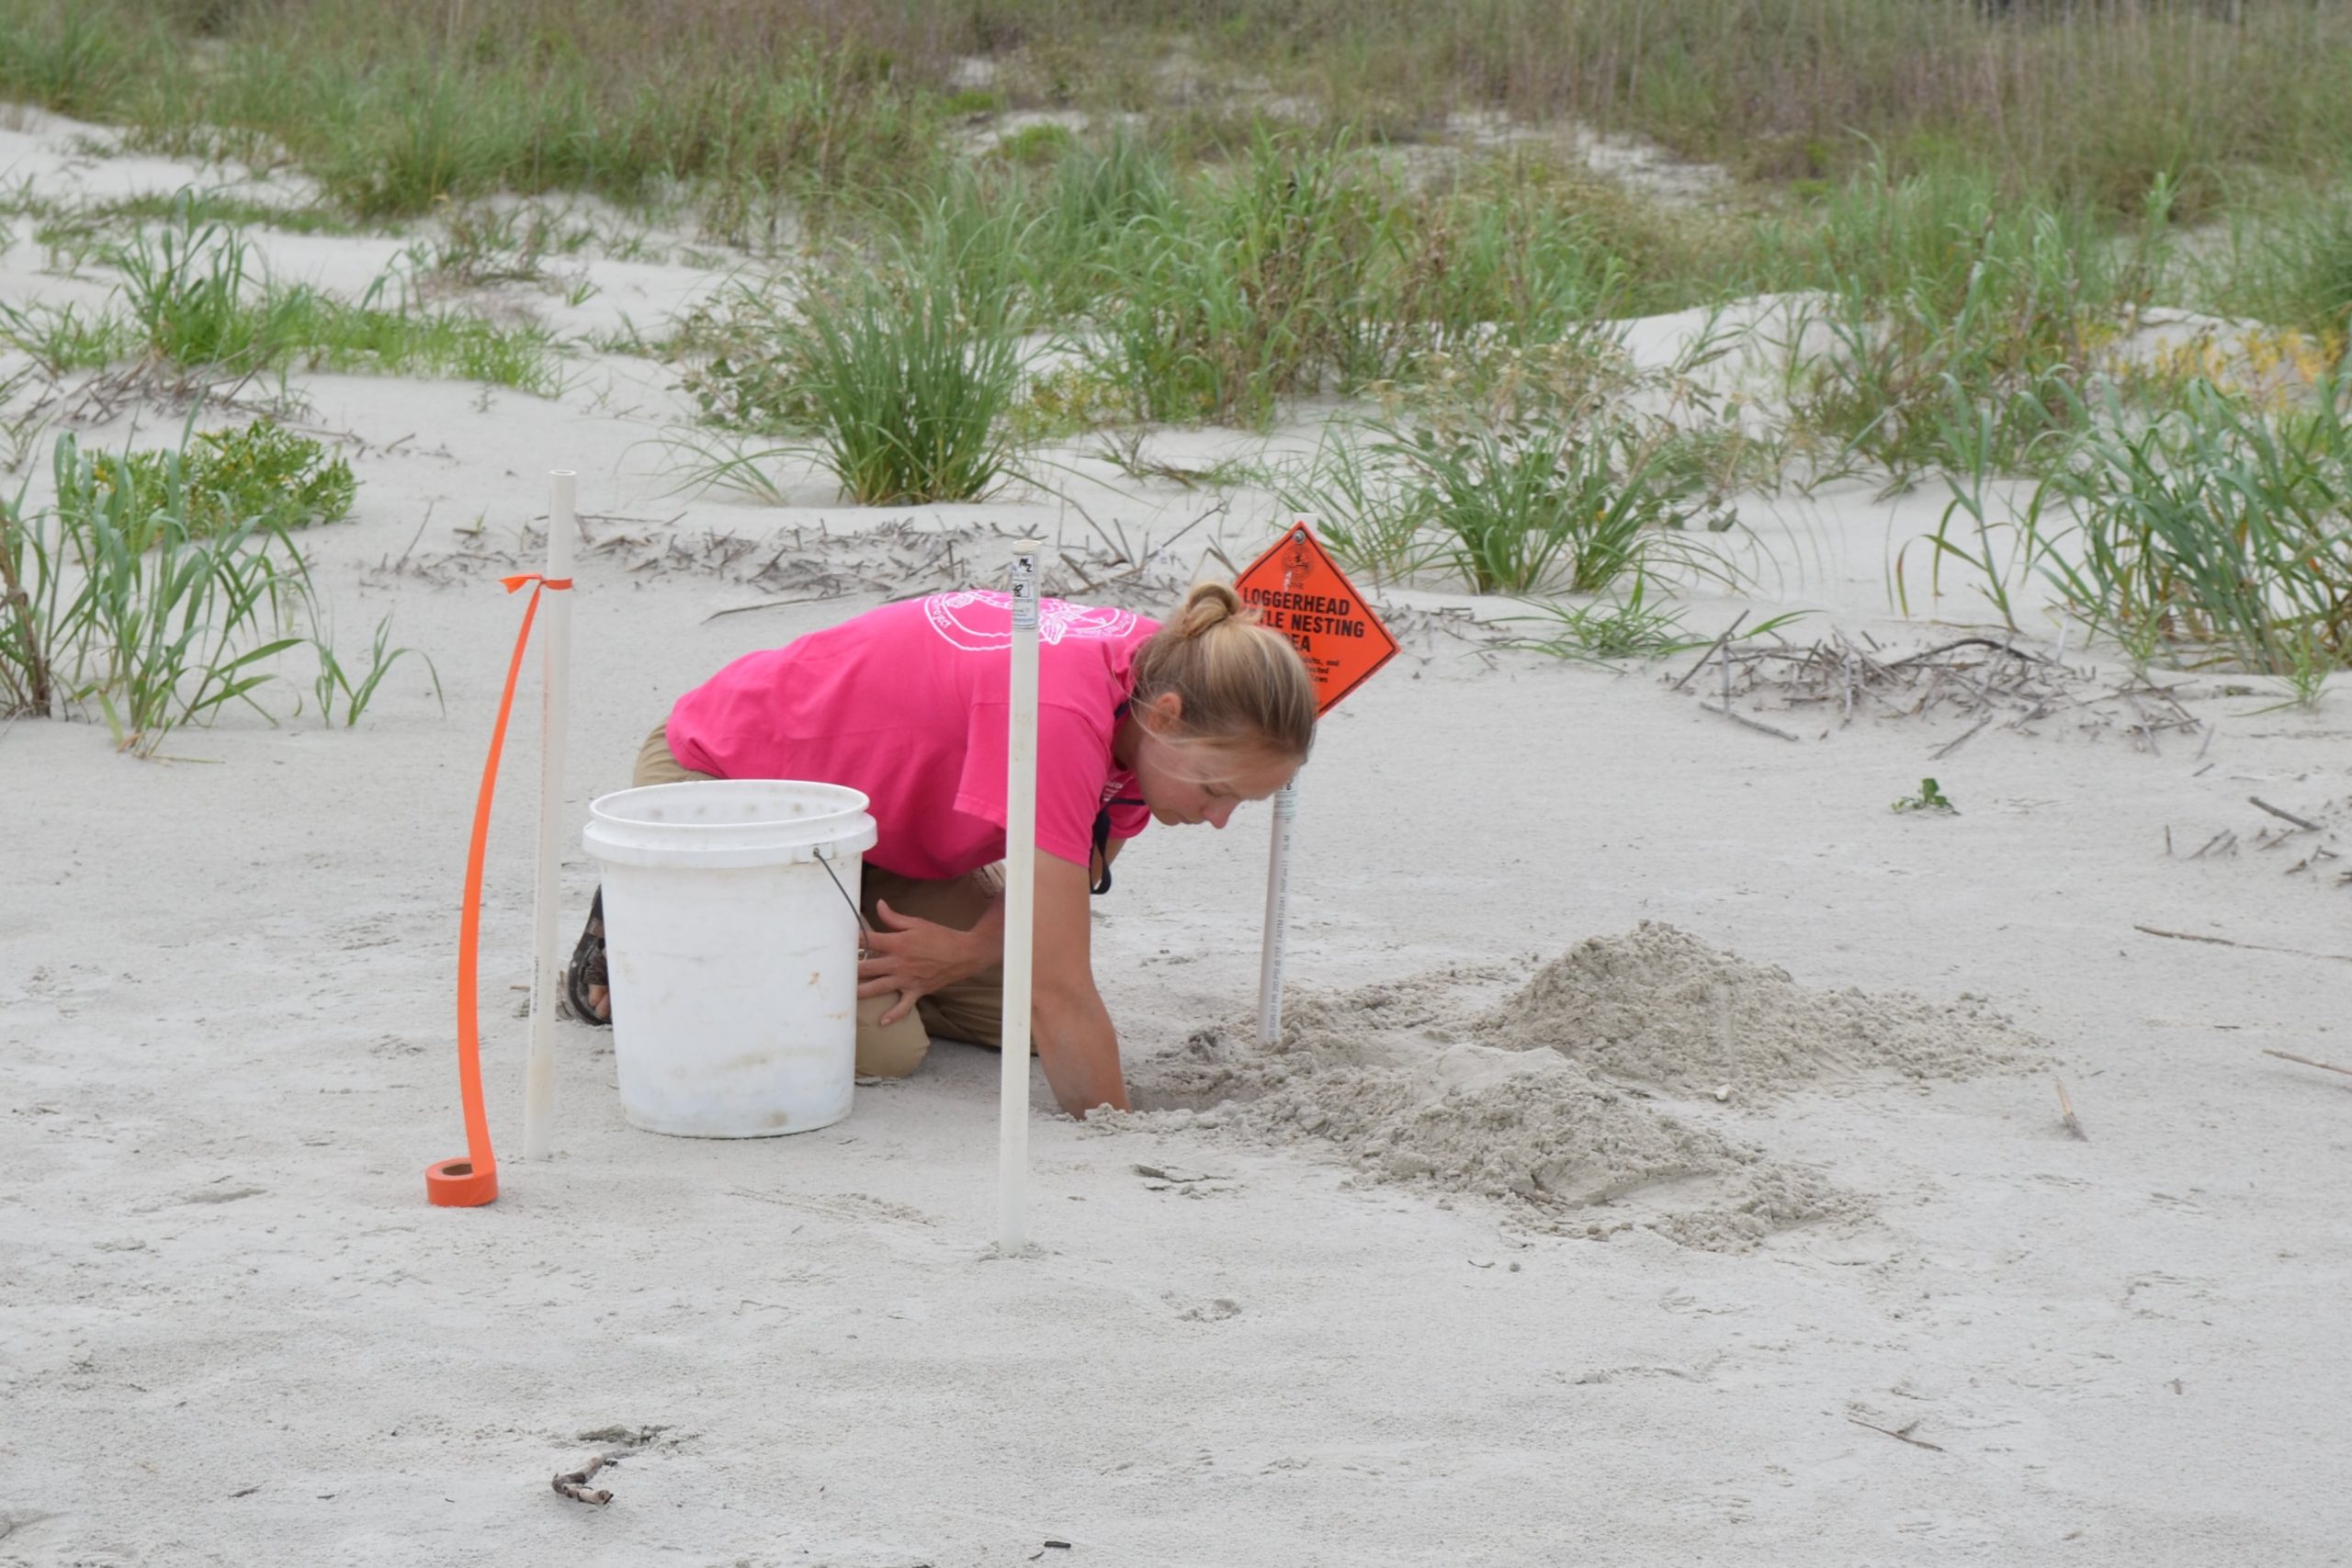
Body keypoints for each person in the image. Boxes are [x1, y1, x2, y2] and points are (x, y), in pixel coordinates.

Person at [569, 581, 1316, 1117]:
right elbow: (1059, 988)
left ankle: (815, 935)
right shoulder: (1058, 713)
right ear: (1170, 715)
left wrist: (963, 954)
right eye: (1217, 790)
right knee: (895, 1049)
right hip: (729, 786)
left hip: (882, 835)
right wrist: (1116, 1140)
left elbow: (1067, 883)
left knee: (1018, 1022)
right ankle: (644, 919)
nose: (1218, 820)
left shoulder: (1160, 681)